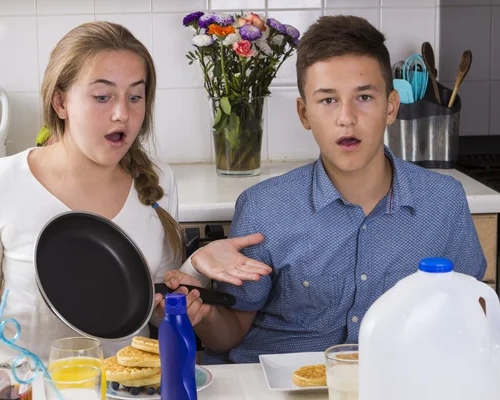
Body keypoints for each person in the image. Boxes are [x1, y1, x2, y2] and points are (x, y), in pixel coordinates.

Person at [0, 21, 270, 368]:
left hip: (126, 384)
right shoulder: (2, 181)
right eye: (102, 96)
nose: (122, 114)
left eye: (135, 97)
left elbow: (154, 302)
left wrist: (194, 271)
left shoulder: (158, 179)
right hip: (31, 385)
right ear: (61, 103)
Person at [160, 15, 487, 364]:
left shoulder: (443, 201)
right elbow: (230, 335)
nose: (346, 117)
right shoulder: (263, 208)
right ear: (304, 113)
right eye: (328, 100)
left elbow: (470, 316)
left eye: (364, 96)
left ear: (391, 106)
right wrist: (203, 313)